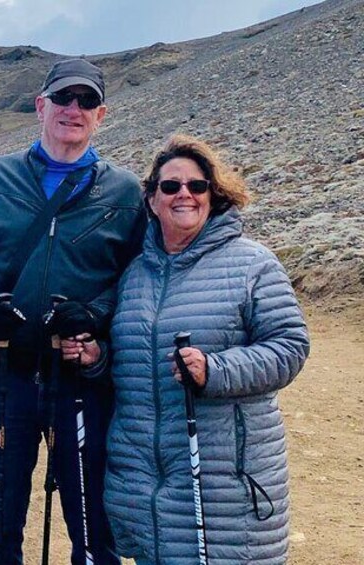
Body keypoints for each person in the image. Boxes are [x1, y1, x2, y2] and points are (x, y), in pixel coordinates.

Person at [63, 134, 310, 564]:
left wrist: (215, 370)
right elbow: (130, 368)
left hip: (223, 488)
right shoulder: (135, 274)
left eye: (197, 186)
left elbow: (289, 347)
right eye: (170, 186)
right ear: (152, 200)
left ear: (213, 196)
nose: (184, 195)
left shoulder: (252, 264)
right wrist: (97, 359)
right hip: (145, 488)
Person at [0, 58, 147, 564]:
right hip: (0, 377)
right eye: (63, 98)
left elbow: (137, 277)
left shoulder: (124, 190)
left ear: (102, 115)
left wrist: (93, 314)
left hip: (79, 382)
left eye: (87, 101)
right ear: (41, 106)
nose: (74, 109)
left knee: (94, 528)